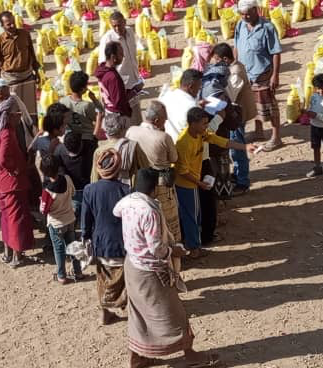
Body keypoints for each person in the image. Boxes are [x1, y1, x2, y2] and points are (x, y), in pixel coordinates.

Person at [114, 168, 220, 368]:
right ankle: (190, 356)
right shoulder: (150, 210)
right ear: (154, 189)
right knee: (175, 313)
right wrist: (174, 251)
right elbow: (156, 248)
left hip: (132, 266)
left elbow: (115, 211)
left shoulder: (127, 202)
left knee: (138, 314)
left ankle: (138, 358)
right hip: (151, 270)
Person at [174, 107, 253, 257]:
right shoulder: (184, 143)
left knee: (194, 215)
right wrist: (199, 183)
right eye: (203, 124)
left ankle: (193, 245)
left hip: (192, 183)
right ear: (193, 124)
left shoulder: (200, 134)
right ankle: (194, 248)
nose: (206, 127)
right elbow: (182, 171)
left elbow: (221, 141)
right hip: (186, 185)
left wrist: (245, 147)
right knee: (192, 216)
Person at [0, 96, 36, 267]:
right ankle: (17, 255)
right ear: (9, 115)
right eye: (17, 114)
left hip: (0, 181)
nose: (19, 117)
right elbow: (3, 159)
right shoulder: (7, 133)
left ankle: (7, 251)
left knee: (6, 217)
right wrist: (13, 168)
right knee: (16, 217)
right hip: (12, 182)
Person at [83, 148, 131, 323]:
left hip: (101, 244)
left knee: (102, 277)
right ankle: (130, 310)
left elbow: (86, 221)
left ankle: (104, 312)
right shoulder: (127, 190)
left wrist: (87, 239)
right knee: (126, 279)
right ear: (118, 168)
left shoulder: (89, 190)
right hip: (122, 244)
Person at [204, 43, 256, 195]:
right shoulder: (233, 68)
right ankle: (238, 175)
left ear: (225, 59)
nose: (214, 62)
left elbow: (229, 96)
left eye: (216, 59)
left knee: (237, 147)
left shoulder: (235, 72)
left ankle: (242, 182)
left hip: (236, 115)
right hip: (233, 112)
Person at [126, 100, 181, 243]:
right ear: (157, 120)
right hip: (161, 181)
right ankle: (172, 251)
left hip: (140, 182)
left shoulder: (131, 131)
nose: (167, 120)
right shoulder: (163, 137)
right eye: (164, 117)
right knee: (168, 218)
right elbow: (174, 158)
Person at [234, 0, 283, 150]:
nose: (244, 17)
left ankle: (276, 137)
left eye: (247, 13)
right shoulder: (240, 25)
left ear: (256, 10)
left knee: (269, 105)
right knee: (253, 104)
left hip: (263, 73)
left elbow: (275, 52)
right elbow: (236, 46)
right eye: (242, 14)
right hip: (246, 73)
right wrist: (235, 66)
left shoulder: (267, 27)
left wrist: (275, 74)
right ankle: (259, 131)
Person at [0, 10, 42, 121]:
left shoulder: (25, 34)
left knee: (31, 111)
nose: (12, 25)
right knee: (14, 113)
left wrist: (37, 72)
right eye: (8, 24)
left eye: (13, 22)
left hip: (27, 76)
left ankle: (33, 136)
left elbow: (32, 54)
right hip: (11, 80)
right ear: (2, 26)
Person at [40, 154, 82, 284]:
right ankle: (78, 272)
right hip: (70, 219)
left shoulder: (47, 191)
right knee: (73, 246)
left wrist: (41, 201)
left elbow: (43, 210)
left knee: (59, 249)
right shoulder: (68, 179)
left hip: (56, 223)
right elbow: (74, 193)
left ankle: (61, 275)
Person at [98, 11, 144, 122]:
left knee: (136, 117)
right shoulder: (107, 39)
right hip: (120, 85)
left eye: (119, 25)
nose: (117, 28)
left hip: (134, 81)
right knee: (124, 118)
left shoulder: (130, 32)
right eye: (114, 26)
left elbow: (133, 55)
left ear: (125, 22)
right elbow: (103, 64)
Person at [60, 70, 100, 175]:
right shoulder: (87, 105)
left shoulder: (63, 102)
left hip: (71, 139)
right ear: (83, 89)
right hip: (87, 139)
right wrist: (94, 99)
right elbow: (100, 114)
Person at [94, 41, 141, 124]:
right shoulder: (113, 77)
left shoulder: (103, 70)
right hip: (117, 117)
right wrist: (134, 92)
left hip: (109, 111)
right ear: (113, 57)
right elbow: (119, 102)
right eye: (120, 54)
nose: (123, 56)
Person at [93, 110, 145, 184]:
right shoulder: (133, 146)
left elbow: (95, 177)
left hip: (107, 190)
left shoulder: (99, 151)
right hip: (131, 189)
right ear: (121, 128)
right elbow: (144, 168)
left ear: (105, 130)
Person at [162, 69, 205, 140]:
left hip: (169, 141)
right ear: (190, 87)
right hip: (185, 146)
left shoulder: (167, 95)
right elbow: (202, 132)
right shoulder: (192, 106)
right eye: (199, 86)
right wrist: (219, 117)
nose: (200, 89)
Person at [59, 130, 90, 221]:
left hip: (73, 192)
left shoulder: (59, 151)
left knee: (73, 219)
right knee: (87, 218)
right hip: (84, 190)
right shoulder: (90, 148)